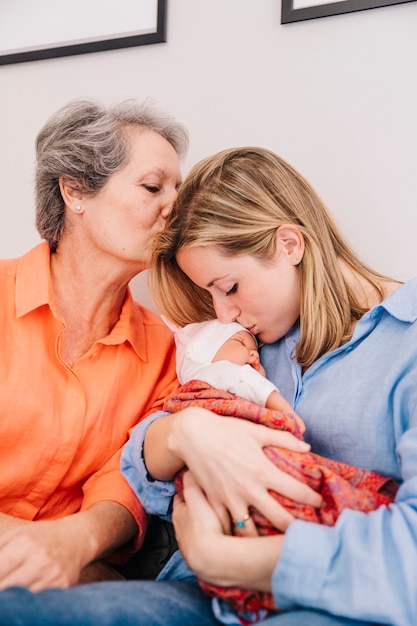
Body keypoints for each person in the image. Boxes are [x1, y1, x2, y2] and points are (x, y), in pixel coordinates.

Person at [0, 145, 415, 626]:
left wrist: (227, 561)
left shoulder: (405, 344)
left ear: (289, 245)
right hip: (196, 592)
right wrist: (186, 432)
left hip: (329, 601)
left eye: (230, 287)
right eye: (212, 294)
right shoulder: (251, 341)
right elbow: (143, 459)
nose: (223, 313)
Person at [0, 97, 188, 591]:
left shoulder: (166, 351)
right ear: (76, 190)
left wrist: (76, 544)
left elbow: (125, 485)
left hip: (70, 578)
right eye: (153, 187)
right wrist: (42, 547)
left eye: (178, 190)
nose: (175, 206)